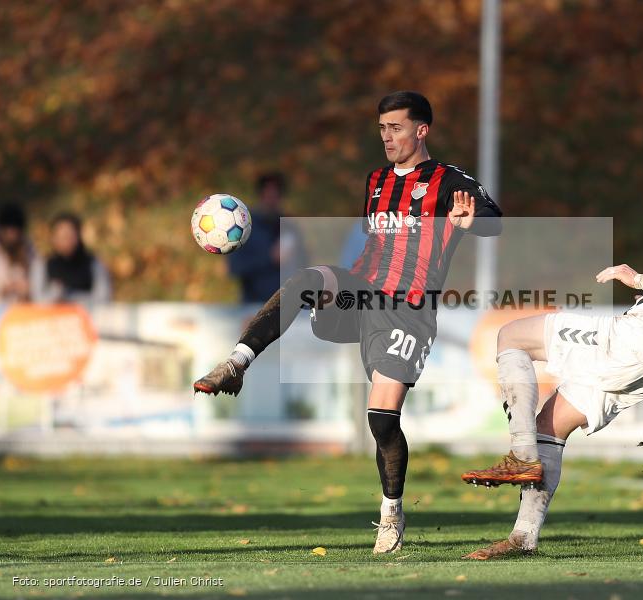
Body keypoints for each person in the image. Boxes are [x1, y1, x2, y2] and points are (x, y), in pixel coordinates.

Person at [194, 91, 502, 553]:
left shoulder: (449, 180)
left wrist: (471, 220)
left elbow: (495, 221)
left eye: (396, 127)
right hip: (361, 293)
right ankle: (237, 362)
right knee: (304, 279)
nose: (387, 137)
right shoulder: (376, 181)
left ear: (422, 130)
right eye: (382, 128)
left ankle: (391, 512)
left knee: (381, 420)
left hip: (408, 311)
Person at [461, 140, 643, 559]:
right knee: (549, 426)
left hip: (635, 340)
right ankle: (523, 539)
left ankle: (520, 455)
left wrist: (638, 279)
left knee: (510, 336)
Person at [227, 172, 309, 303]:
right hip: (253, 305)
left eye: (276, 195)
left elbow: (304, 265)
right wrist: (270, 258)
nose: (272, 199)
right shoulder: (244, 226)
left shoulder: (290, 227)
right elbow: (235, 267)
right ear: (261, 195)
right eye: (268, 194)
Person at [30, 213, 112, 304]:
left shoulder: (94, 264)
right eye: (62, 237)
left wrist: (71, 298)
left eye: (70, 236)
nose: (66, 241)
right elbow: (38, 299)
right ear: (53, 238)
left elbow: (103, 298)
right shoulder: (43, 265)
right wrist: (56, 293)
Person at [0, 204, 37, 303]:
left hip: (22, 310)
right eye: (8, 231)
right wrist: (4, 289)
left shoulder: (29, 251)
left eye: (15, 231)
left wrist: (28, 288)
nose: (11, 236)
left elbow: (37, 283)